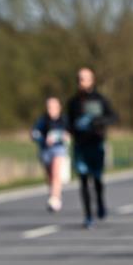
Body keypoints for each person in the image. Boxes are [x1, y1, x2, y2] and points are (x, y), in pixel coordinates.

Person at [66, 68, 117, 228]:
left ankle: (100, 202)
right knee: (83, 180)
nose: (82, 82)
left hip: (96, 144)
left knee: (96, 179)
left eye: (85, 78)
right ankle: (88, 216)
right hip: (80, 146)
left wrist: (99, 122)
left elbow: (113, 117)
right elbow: (67, 123)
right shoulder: (73, 102)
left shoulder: (100, 99)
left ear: (92, 80)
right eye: (79, 79)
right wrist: (72, 129)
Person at [31, 97, 70, 212]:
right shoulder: (42, 120)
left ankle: (55, 199)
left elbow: (71, 132)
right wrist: (43, 139)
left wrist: (67, 136)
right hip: (45, 150)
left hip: (59, 149)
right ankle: (55, 193)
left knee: (56, 172)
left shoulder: (64, 120)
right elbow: (34, 134)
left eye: (53, 107)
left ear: (58, 108)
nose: (50, 110)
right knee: (50, 177)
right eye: (49, 107)